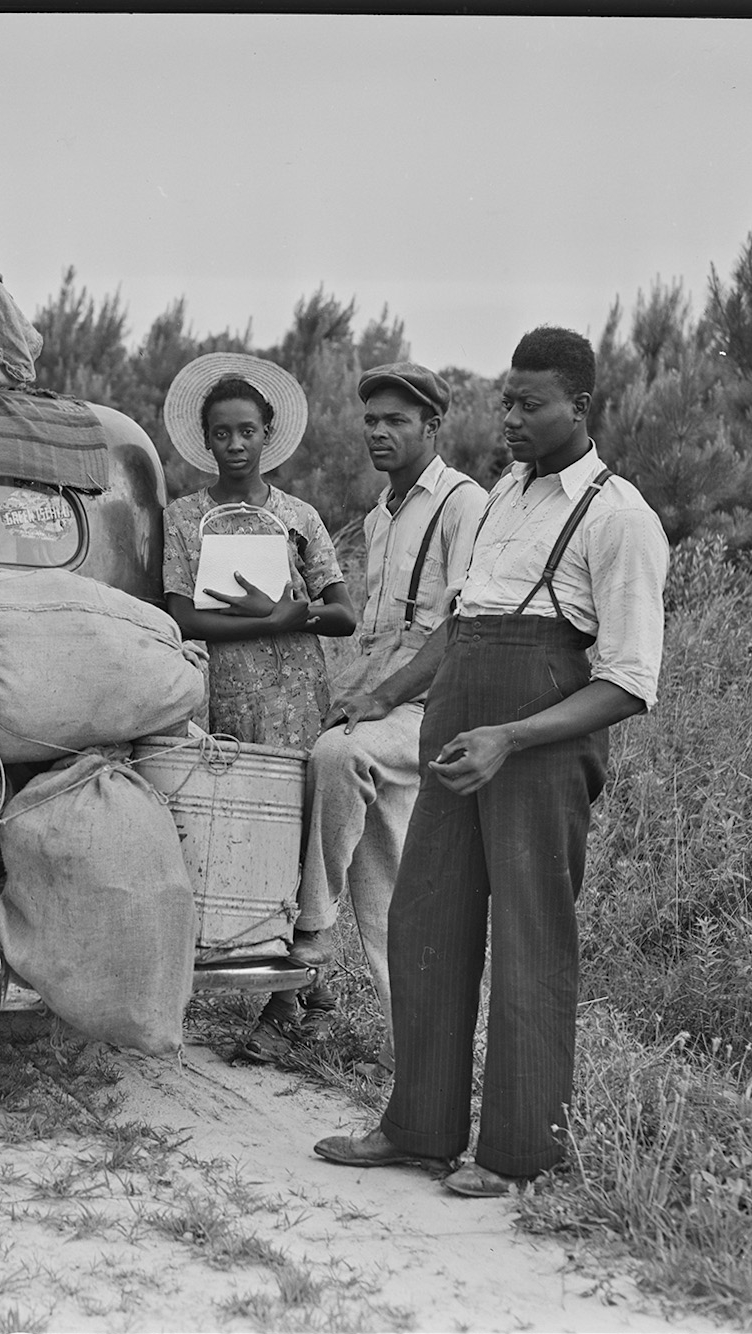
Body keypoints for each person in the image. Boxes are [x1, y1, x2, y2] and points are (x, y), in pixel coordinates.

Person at [315, 327, 669, 1196]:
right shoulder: (506, 493)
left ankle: (519, 1154)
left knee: (528, 939)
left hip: (537, 752)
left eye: (529, 403)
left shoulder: (620, 518)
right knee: (424, 923)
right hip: (457, 736)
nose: (507, 417)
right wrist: (388, 695)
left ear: (579, 407)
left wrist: (512, 737)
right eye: (504, 399)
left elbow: (627, 682)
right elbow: (463, 625)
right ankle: (421, 1127)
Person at [159, 354, 357, 1062]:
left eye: (246, 431)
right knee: (227, 830)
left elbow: (341, 614)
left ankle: (296, 999)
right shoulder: (185, 518)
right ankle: (230, 965)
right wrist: (274, 619)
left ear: (268, 434)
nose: (235, 444)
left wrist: (290, 614)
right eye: (221, 433)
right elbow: (182, 616)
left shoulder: (298, 517)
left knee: (299, 836)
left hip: (296, 697)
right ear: (205, 441)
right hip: (217, 696)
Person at [297, 363, 483, 1081]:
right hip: (387, 700)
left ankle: (312, 924)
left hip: (433, 709)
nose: (378, 431)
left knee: (337, 759)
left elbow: (460, 626)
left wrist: (378, 700)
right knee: (392, 897)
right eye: (370, 418)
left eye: (396, 420)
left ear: (433, 427)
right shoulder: (382, 513)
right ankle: (427, 1067)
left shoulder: (464, 504)